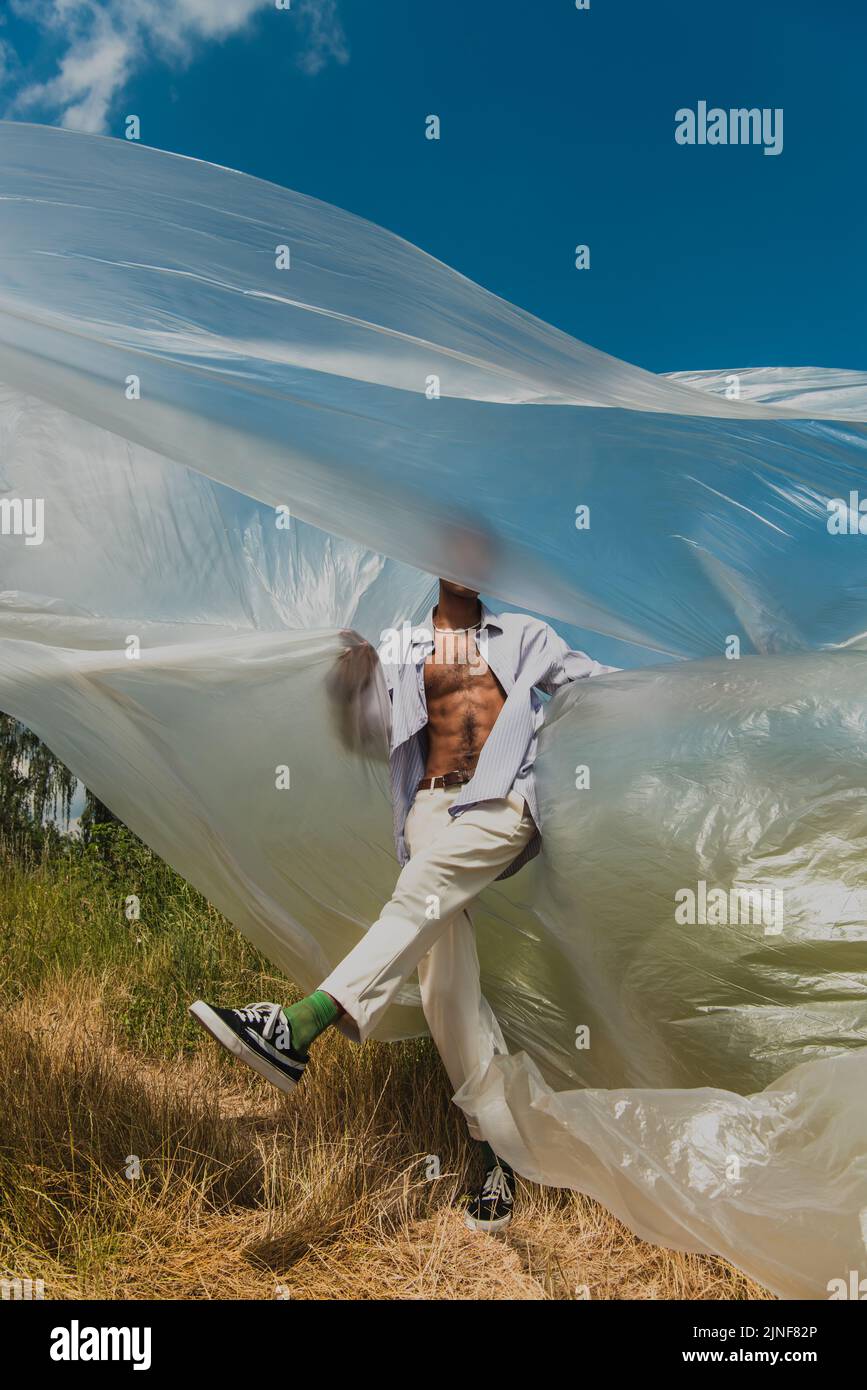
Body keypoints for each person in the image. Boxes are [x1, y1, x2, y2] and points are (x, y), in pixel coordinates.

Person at [191, 579, 616, 1231]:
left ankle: (301, 1023)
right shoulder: (400, 646)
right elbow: (366, 736)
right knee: (446, 991)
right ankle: (497, 1160)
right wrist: (348, 681)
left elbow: (598, 689)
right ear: (433, 563)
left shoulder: (526, 636)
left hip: (502, 802)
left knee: (424, 890)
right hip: (429, 805)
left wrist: (705, 691)